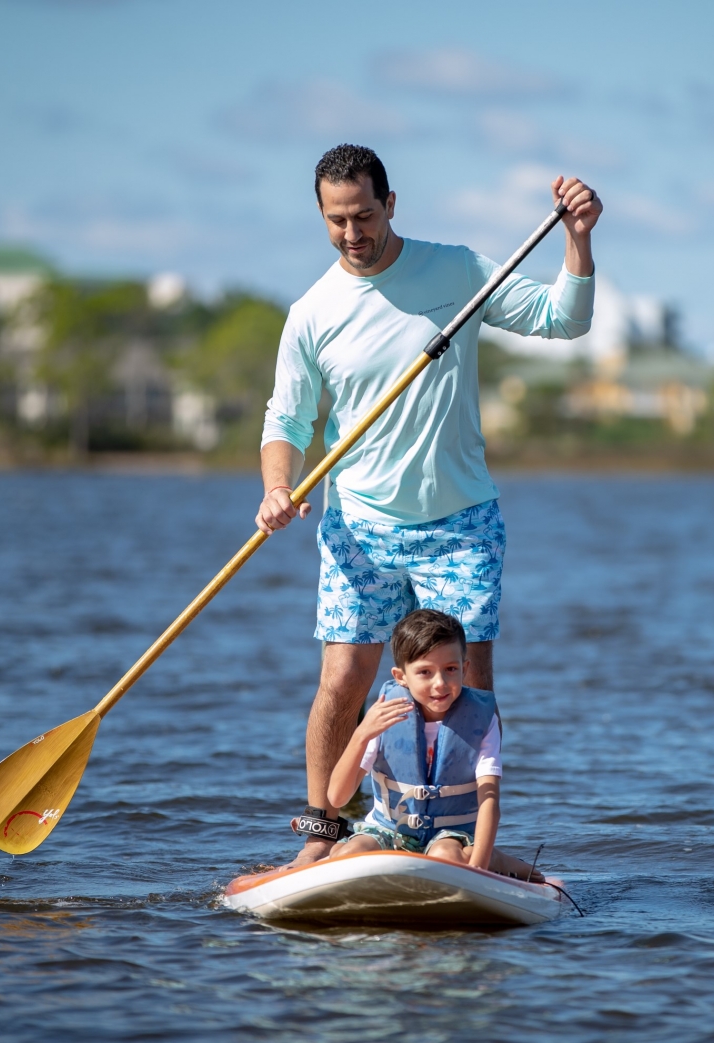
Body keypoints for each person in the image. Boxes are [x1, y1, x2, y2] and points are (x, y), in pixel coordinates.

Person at [256, 143, 601, 866]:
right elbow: (285, 422)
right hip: (361, 526)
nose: (352, 233)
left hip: (460, 522)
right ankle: (324, 833)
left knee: (466, 687)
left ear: (390, 203)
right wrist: (278, 486)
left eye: (363, 215)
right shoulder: (312, 312)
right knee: (343, 682)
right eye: (335, 220)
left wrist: (577, 238)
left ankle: (470, 844)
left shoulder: (458, 272)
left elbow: (562, 321)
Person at [326, 609, 539, 879]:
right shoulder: (383, 716)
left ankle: (491, 857)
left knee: (444, 858)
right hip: (387, 829)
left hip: (450, 835)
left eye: (451, 669)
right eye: (425, 672)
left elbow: (489, 801)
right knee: (348, 855)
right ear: (401, 676)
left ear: (466, 668)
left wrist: (478, 869)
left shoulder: (480, 720)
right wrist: (361, 736)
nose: (440, 683)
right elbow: (337, 797)